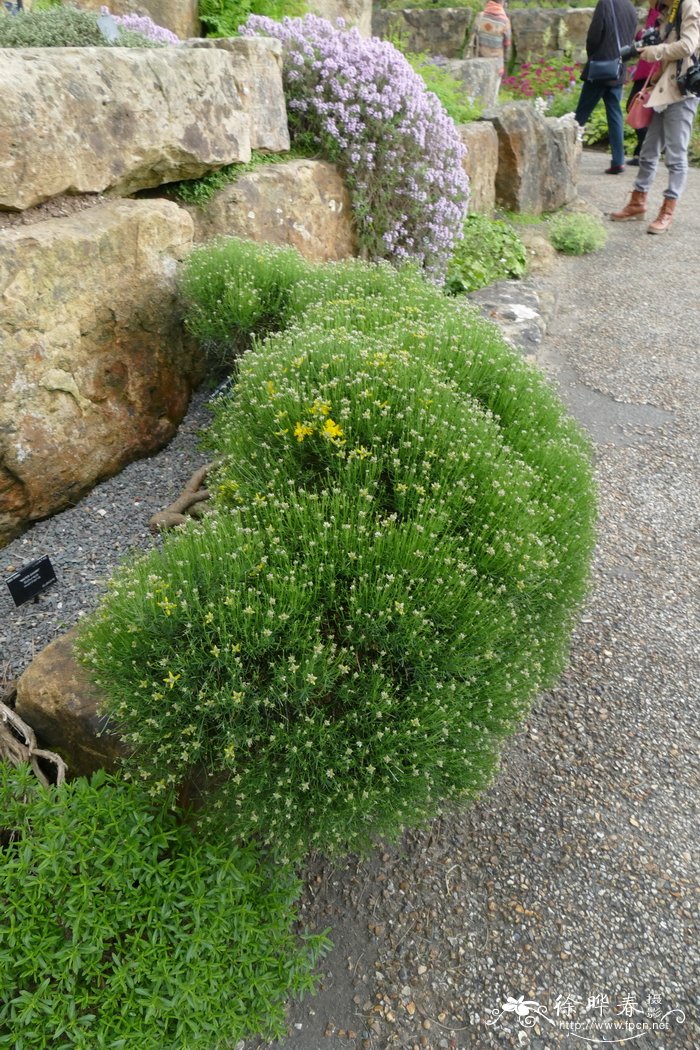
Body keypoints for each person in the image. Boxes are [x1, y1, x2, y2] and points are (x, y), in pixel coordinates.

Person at [611, 0, 700, 232]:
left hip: (682, 90)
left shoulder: (689, 4)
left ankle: (667, 210)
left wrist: (655, 51)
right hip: (662, 87)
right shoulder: (666, 9)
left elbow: (689, 45)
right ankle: (638, 203)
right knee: (649, 150)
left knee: (676, 154)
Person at [574, 0, 638, 174]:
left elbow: (594, 35)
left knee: (581, 114)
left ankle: (565, 152)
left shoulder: (606, 3)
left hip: (600, 67)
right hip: (617, 69)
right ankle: (618, 160)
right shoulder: (631, 8)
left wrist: (592, 55)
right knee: (615, 113)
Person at [626, 2, 663, 164]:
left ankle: (646, 150)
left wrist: (641, 34)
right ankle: (642, 150)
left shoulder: (659, 10)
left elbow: (653, 36)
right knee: (640, 108)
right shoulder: (653, 10)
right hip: (647, 67)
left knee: (634, 105)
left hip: (650, 68)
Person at [469, 0, 512, 77]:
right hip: (496, 64)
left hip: (478, 60)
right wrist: (506, 58)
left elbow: (473, 36)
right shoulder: (505, 21)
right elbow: (507, 43)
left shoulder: (480, 16)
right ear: (502, 2)